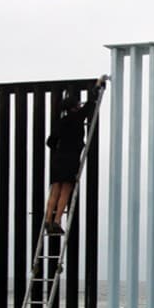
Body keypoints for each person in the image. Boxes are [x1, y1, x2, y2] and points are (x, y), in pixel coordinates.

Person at [43, 75, 106, 235]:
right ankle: (57, 222)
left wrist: (59, 151)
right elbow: (91, 103)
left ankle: (48, 220)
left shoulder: (61, 121)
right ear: (74, 107)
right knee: (66, 189)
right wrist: (98, 85)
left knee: (55, 189)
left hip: (58, 158)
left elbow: (50, 141)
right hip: (71, 158)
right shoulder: (78, 117)